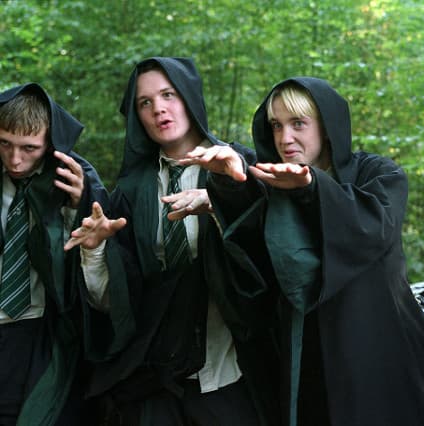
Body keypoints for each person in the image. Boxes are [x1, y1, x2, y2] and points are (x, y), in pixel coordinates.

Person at [184, 77, 424, 426]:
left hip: (381, 351)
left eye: (298, 123)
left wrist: (312, 188)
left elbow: (372, 230)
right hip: (308, 361)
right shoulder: (273, 187)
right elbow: (255, 262)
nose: (285, 138)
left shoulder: (378, 173)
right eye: (276, 125)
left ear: (326, 125)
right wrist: (227, 186)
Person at [65, 57, 279, 426]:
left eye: (168, 95)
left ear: (189, 97)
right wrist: (96, 251)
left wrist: (224, 200)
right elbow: (118, 301)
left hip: (229, 369)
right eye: (144, 102)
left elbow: (272, 260)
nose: (158, 109)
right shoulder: (131, 192)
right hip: (156, 378)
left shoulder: (240, 165)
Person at [0, 83, 109, 425]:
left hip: (44, 332)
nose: (15, 159)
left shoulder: (74, 177)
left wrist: (78, 205)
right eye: (5, 144)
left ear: (49, 143)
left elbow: (99, 260)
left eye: (29, 148)